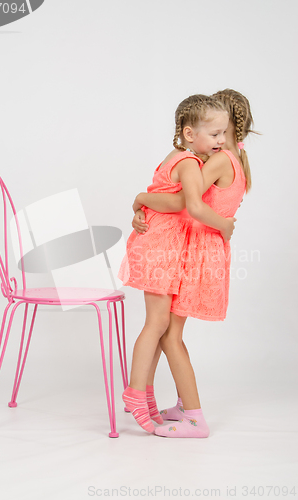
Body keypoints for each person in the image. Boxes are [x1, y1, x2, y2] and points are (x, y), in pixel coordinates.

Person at [130, 89, 254, 437]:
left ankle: (189, 413)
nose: (214, 137)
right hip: (196, 248)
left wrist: (140, 198)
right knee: (168, 331)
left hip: (195, 250)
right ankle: (179, 404)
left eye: (218, 130)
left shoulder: (216, 160)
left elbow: (184, 203)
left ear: (226, 125)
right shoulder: (235, 160)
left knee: (168, 334)